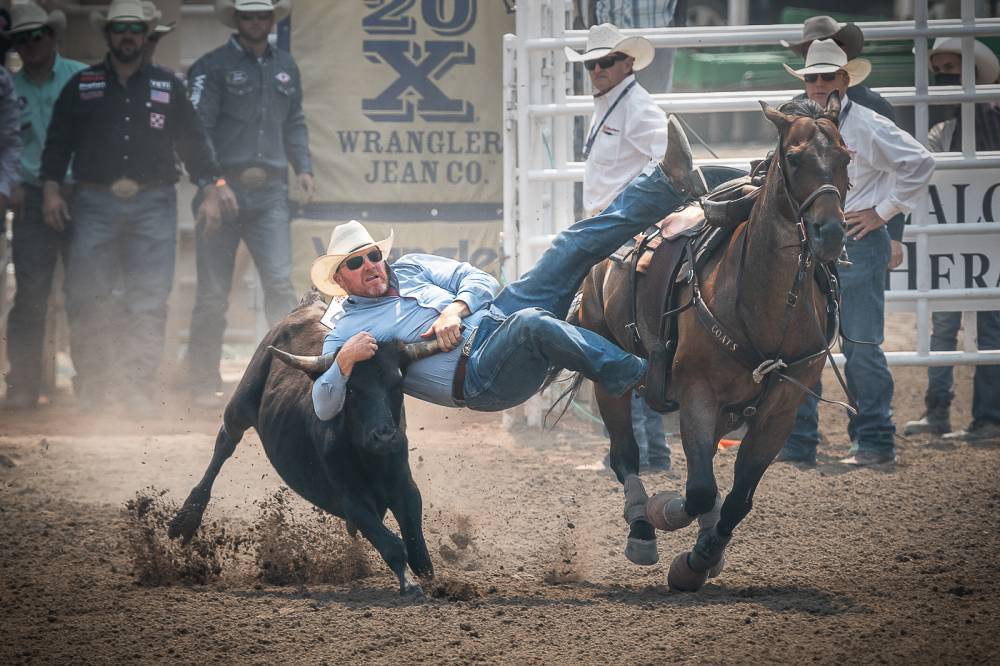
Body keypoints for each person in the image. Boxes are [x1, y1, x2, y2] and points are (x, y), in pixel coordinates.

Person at [309, 135, 704, 423]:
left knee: (569, 245)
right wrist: (343, 361)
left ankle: (667, 184)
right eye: (356, 263)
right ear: (340, 280)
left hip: (498, 316)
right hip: (479, 376)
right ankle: (647, 379)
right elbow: (323, 407)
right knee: (531, 324)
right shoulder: (346, 329)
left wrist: (454, 309)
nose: (370, 265)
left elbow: (479, 280)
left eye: (373, 255)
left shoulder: (410, 267)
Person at [39, 0, 229, 413]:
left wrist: (211, 187)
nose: (127, 36)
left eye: (135, 29)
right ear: (108, 34)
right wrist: (51, 189)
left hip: (153, 201)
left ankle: (139, 388)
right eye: (120, 28)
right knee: (88, 296)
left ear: (146, 36)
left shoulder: (168, 85)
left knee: (149, 298)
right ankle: (93, 388)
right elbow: (57, 143)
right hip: (94, 200)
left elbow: (194, 143)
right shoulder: (83, 84)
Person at [774, 40, 935, 467]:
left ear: (844, 80)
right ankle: (801, 440)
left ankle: (874, 440)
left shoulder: (867, 124)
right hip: (815, 238)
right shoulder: (803, 124)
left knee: (860, 343)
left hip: (855, 240)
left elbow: (920, 162)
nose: (819, 83)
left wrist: (883, 212)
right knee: (803, 342)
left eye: (827, 76)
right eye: (812, 77)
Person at [184, 0, 312, 407]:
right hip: (223, 189)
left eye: (261, 15)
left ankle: (288, 379)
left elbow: (295, 121)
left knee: (279, 283)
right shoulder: (211, 66)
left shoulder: (285, 66)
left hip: (270, 190)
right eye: (248, 15)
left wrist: (303, 166)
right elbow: (197, 131)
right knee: (213, 293)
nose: (256, 22)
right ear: (237, 20)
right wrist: (211, 184)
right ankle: (201, 381)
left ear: (271, 19)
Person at [566, 23, 671, 470]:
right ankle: (647, 450)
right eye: (592, 63)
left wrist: (635, 205)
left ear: (627, 63)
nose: (597, 70)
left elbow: (666, 157)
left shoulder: (638, 108)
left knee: (620, 340)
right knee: (625, 340)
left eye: (606, 62)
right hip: (610, 232)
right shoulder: (617, 103)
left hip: (623, 233)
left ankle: (640, 451)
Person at [903, 38, 1000, 441]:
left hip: (989, 242)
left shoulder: (989, 119)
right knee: (944, 325)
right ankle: (939, 411)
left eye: (951, 68)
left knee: (990, 327)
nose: (944, 76)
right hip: (950, 241)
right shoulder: (943, 131)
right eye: (939, 70)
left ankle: (988, 418)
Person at [782, 15, 907, 271]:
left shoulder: (873, 108)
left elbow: (898, 167)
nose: (819, 81)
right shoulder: (796, 109)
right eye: (812, 50)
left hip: (859, 229)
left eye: (828, 45)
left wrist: (891, 230)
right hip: (810, 225)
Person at [2, 3, 74, 409]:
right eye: (22, 39)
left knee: (87, 290)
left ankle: (95, 384)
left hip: (79, 193)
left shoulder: (80, 77)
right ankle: (23, 384)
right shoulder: (8, 88)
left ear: (52, 35)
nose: (31, 44)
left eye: (37, 35)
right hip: (28, 195)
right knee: (31, 294)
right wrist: (10, 182)